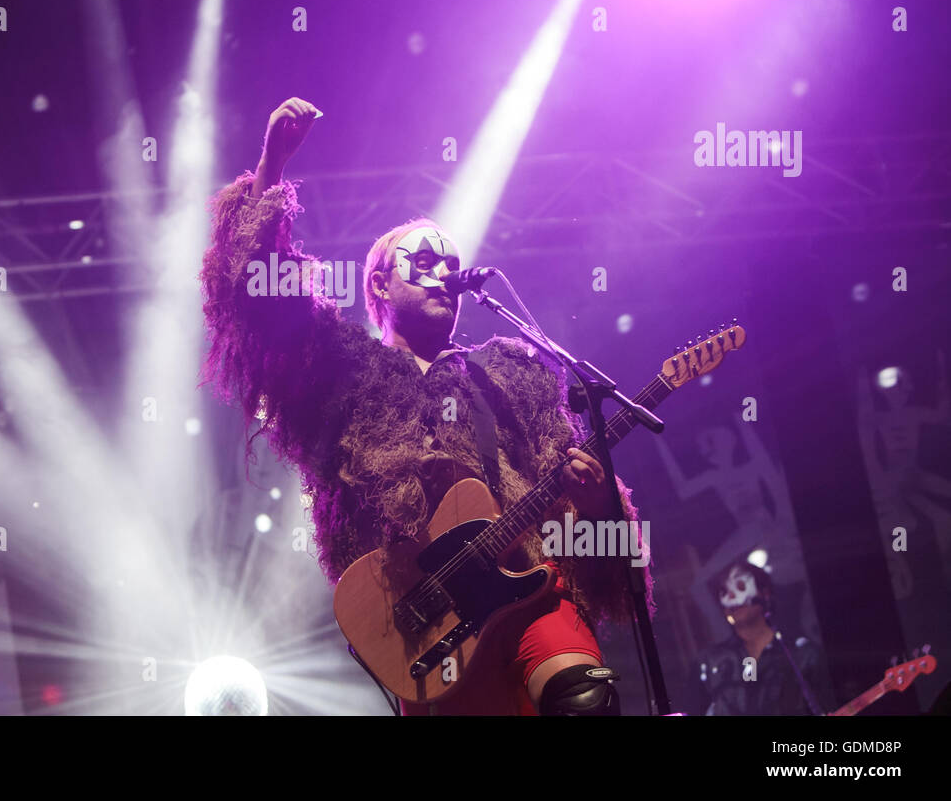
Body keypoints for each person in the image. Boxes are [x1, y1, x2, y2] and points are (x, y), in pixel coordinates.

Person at [200, 98, 650, 715]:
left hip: (528, 596)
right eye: (426, 262)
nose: (444, 273)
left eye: (452, 264)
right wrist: (272, 168)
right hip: (427, 625)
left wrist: (597, 503)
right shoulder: (344, 371)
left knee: (583, 700)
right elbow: (262, 307)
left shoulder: (511, 375)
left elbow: (581, 526)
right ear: (379, 283)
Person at [694, 561, 834, 716]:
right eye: (724, 591)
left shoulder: (803, 655)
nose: (732, 597)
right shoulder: (711, 661)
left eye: (740, 586)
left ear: (765, 594)